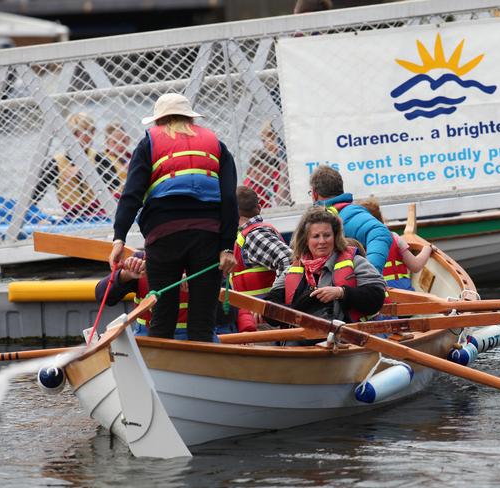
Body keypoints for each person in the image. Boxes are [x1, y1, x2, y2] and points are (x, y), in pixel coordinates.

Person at [109, 92, 238, 342]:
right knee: (202, 322)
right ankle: (202, 374)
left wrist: (118, 239)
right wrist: (226, 248)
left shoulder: (148, 144)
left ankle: (161, 372)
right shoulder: (216, 145)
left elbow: (131, 196)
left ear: (159, 121)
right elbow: (230, 201)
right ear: (190, 120)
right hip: (207, 239)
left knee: (162, 318)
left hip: (164, 237)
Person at [264, 206, 385, 330]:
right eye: (316, 236)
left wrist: (341, 292)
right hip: (300, 343)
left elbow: (377, 298)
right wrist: (300, 307)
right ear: (305, 240)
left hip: (347, 341)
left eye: (327, 235)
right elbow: (270, 307)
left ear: (335, 237)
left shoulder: (355, 262)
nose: (322, 241)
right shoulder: (291, 270)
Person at [95, 251, 236, 340]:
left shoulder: (209, 262)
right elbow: (102, 296)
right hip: (147, 335)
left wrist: (200, 287)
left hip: (196, 336)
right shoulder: (140, 259)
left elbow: (228, 314)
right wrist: (126, 275)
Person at [32, 112, 120, 218]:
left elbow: (115, 183)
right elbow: (36, 193)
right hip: (71, 218)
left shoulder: (99, 158)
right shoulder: (56, 163)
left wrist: (84, 170)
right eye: (81, 133)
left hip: (100, 216)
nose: (88, 137)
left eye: (91, 132)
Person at [309, 165, 393, 274]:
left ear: (315, 194)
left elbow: (380, 233)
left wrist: (370, 275)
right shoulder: (339, 214)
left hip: (352, 288)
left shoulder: (348, 213)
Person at [231, 185, 292, 332]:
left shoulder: (254, 235)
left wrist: (270, 302)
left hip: (267, 324)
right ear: (259, 207)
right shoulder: (244, 235)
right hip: (256, 323)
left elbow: (290, 262)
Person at [360, 197, 434, 291]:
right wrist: (428, 248)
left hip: (378, 297)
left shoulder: (356, 244)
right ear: (380, 219)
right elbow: (416, 266)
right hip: (405, 295)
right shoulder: (394, 238)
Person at [103, 121, 132, 197]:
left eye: (124, 141)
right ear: (107, 143)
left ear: (129, 141)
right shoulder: (103, 160)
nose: (120, 144)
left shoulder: (133, 157)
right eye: (115, 142)